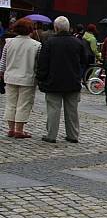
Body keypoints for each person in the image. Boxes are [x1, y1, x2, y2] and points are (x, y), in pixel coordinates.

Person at [36, 16, 86, 144]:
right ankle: (73, 135)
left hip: (53, 81)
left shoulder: (49, 42)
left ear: (56, 28)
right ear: (68, 28)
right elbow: (84, 61)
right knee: (72, 111)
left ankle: (51, 135)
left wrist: (41, 78)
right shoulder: (77, 42)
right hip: (73, 81)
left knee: (53, 109)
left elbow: (43, 63)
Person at [0, 19, 40, 138]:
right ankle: (19, 130)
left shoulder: (9, 42)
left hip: (10, 76)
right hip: (27, 78)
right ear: (30, 30)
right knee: (24, 104)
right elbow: (38, 64)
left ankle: (11, 129)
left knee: (11, 103)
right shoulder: (36, 45)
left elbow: (3, 60)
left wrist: (2, 72)